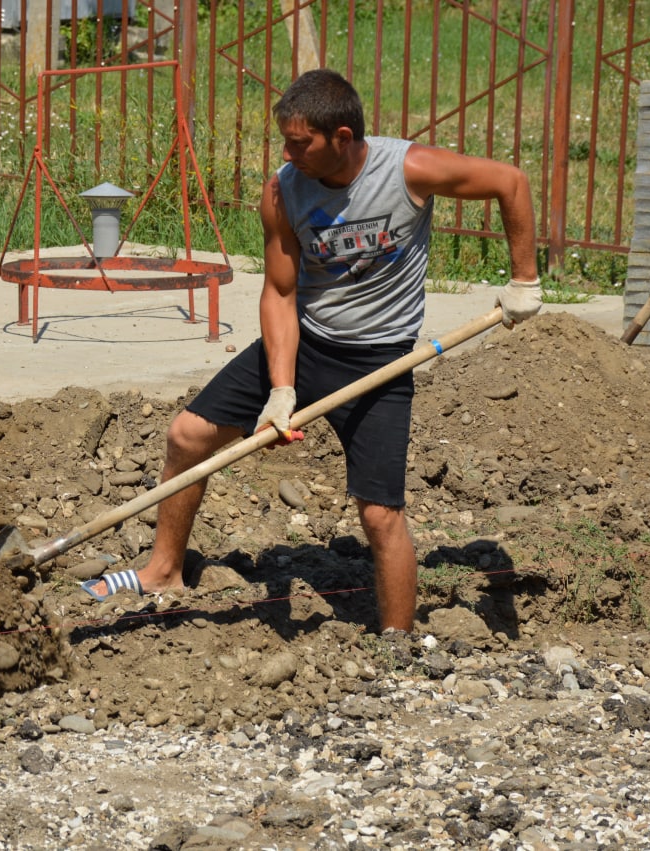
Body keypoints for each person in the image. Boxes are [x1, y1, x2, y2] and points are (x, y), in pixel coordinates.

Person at [82, 68, 542, 632]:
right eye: (284, 140)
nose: (286, 153)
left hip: (381, 362)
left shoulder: (408, 171)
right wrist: (280, 388)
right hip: (306, 344)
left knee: (379, 515)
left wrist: (525, 279)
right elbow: (279, 292)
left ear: (341, 138)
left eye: (299, 143)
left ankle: (396, 640)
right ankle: (163, 570)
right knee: (187, 436)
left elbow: (511, 182)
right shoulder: (282, 190)